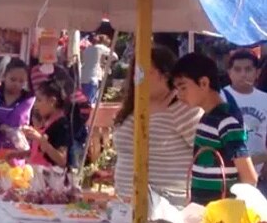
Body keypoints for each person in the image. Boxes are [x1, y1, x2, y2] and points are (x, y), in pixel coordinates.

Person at [114, 47, 201, 206]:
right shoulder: (131, 108)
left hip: (168, 205)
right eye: (136, 71)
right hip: (125, 203)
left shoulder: (184, 108)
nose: (138, 76)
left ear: (166, 75)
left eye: (146, 71)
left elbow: (203, 154)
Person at [172, 52, 258, 205]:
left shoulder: (227, 121)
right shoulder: (206, 119)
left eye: (183, 87)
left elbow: (249, 177)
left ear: (204, 83)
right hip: (203, 212)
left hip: (222, 215)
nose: (179, 95)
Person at [223, 50, 267, 183]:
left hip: (260, 173)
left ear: (257, 73)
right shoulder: (220, 98)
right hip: (228, 172)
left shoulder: (265, 99)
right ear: (229, 72)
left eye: (248, 69)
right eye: (237, 69)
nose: (243, 74)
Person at [19, 81, 71, 168]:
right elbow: (39, 151)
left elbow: (61, 160)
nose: (35, 105)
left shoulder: (61, 125)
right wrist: (18, 154)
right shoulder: (48, 122)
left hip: (49, 178)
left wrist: (39, 139)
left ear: (52, 101)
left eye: (39, 100)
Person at [80, 33, 117, 102]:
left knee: (84, 101)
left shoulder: (87, 49)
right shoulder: (101, 47)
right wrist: (106, 61)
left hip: (83, 76)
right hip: (93, 77)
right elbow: (115, 56)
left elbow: (83, 60)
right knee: (91, 101)